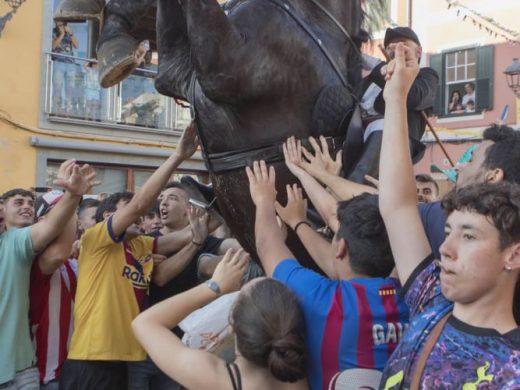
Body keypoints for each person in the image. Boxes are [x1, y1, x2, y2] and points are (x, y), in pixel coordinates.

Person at [378, 42, 520, 389]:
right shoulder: (433, 299)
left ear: (514, 253)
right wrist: (396, 98)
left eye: (468, 235)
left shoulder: (511, 372)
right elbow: (397, 205)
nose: (445, 248)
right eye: (449, 231)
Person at [60, 124, 203, 390]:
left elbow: (186, 237)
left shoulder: (140, 245)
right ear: (107, 218)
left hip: (123, 361)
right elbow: (140, 203)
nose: (139, 215)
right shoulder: (96, 240)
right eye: (129, 212)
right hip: (91, 360)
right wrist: (178, 156)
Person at [246, 161, 409, 390]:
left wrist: (263, 199)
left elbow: (267, 247)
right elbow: (340, 267)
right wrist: (299, 222)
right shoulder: (418, 295)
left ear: (341, 248)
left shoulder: (322, 299)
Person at [132, 249, 308, 390]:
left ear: (232, 325)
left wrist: (214, 286)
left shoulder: (215, 379)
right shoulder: (303, 376)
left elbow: (145, 323)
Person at [0, 161, 96, 389]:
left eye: (30, 203)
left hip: (21, 370)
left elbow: (53, 233)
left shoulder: (14, 243)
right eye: (18, 202)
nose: (26, 206)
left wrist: (71, 196)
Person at [350, 26, 438, 182]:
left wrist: (383, 71)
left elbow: (414, 98)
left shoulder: (426, 76)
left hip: (393, 137)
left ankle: (356, 184)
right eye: (389, 47)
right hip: (355, 132)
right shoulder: (371, 78)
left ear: (418, 52)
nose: (393, 50)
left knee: (383, 126)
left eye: (402, 44)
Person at [29, 190, 79, 389]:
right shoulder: (36, 258)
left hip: (74, 364)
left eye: (73, 210)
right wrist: (74, 196)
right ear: (42, 220)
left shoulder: (71, 261)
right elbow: (57, 255)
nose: (70, 214)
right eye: (62, 210)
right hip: (47, 372)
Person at [51, 21, 79, 115]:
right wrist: (62, 34)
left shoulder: (69, 33)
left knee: (70, 89)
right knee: (58, 88)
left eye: (62, 24)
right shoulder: (53, 32)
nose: (61, 26)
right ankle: (56, 108)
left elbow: (77, 45)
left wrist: (71, 33)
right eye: (59, 24)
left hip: (70, 64)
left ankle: (68, 110)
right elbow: (53, 46)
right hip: (58, 63)